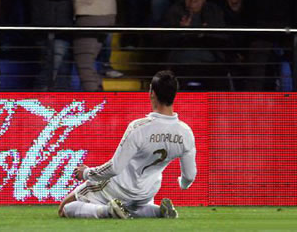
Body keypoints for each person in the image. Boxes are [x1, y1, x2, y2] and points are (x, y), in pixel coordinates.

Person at [58, 70, 196, 219]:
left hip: (119, 187)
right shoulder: (185, 132)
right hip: (146, 193)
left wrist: (86, 173)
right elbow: (189, 175)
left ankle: (108, 211)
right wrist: (183, 184)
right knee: (129, 208)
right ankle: (158, 212)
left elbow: (115, 168)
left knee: (64, 208)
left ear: (152, 92)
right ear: (174, 94)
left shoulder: (139, 128)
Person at [163, 0, 228, 90]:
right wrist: (181, 31)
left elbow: (223, 37)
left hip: (209, 64)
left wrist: (205, 34)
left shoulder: (214, 11)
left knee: (219, 80)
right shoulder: (174, 11)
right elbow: (162, 39)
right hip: (181, 64)